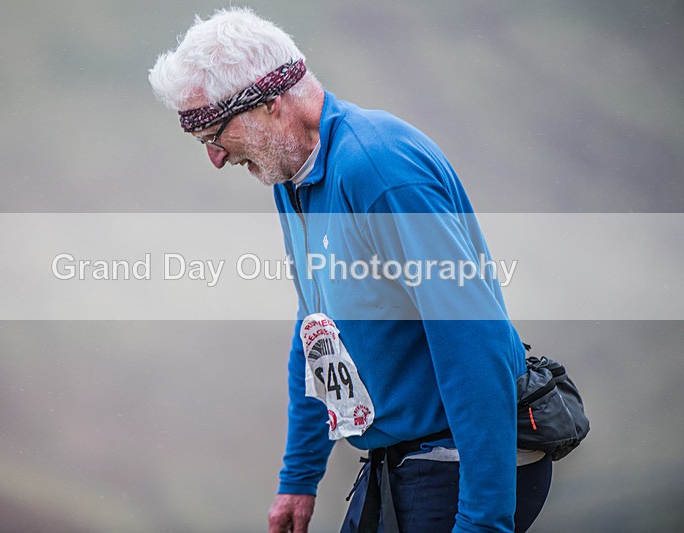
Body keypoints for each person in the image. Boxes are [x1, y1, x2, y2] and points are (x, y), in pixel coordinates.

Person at [149, 7, 552, 532]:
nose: (216, 159)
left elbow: (472, 337)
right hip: (403, 461)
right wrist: (299, 476)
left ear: (270, 104)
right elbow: (317, 330)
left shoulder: (378, 169)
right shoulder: (292, 176)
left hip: (456, 465)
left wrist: (484, 522)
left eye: (213, 135)